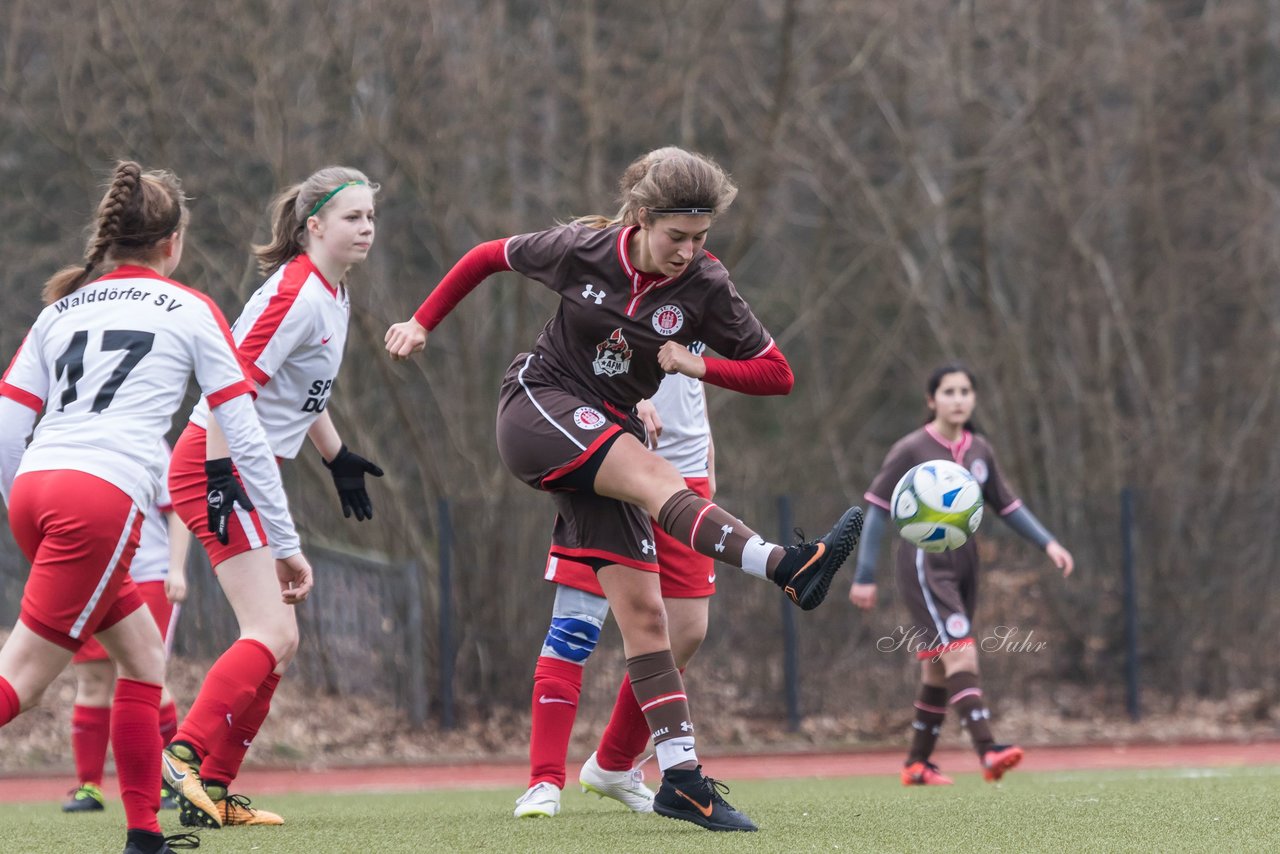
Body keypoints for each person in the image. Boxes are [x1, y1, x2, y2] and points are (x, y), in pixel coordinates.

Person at [386, 146, 863, 832]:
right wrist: (421, 321)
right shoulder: (580, 249)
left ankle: (682, 780)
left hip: (604, 434)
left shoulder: (706, 284)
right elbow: (485, 256)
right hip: (537, 403)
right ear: (640, 219)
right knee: (653, 482)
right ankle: (786, 566)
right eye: (677, 237)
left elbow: (778, 373)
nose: (688, 252)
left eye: (701, 239)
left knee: (649, 621)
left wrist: (698, 364)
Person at [0, 160, 310, 854]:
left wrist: (25, 509)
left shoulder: (59, 309)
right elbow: (247, 439)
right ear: (172, 243)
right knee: (19, 680)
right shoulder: (193, 308)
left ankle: (146, 838)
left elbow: (6, 424)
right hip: (96, 499)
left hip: (38, 489)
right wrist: (285, 543)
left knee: (142, 660)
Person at [162, 166, 384, 831]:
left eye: (372, 216)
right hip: (211, 464)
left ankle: (212, 795)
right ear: (313, 225)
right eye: (353, 217)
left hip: (237, 468)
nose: (367, 227)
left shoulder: (332, 295)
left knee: (279, 639)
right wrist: (225, 473)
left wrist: (336, 454)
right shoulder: (296, 293)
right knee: (273, 630)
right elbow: (233, 387)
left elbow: (299, 390)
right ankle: (184, 758)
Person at [848, 362, 1074, 786]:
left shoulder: (980, 450)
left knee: (938, 666)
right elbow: (878, 508)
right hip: (923, 560)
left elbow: (1007, 505)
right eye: (948, 392)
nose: (958, 399)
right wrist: (864, 574)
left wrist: (1049, 543)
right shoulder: (911, 449)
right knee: (961, 652)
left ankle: (917, 765)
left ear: (973, 399)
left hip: (966, 559)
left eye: (965, 391)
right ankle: (988, 750)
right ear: (931, 400)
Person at [514, 361, 716, 818]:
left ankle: (613, 765)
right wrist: (632, 396)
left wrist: (708, 455)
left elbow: (692, 390)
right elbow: (579, 354)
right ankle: (543, 780)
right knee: (574, 630)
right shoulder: (615, 292)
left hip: (684, 480)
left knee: (686, 633)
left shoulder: (706, 293)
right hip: (612, 471)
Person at [62, 446, 192, 814]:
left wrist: (176, 569)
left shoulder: (148, 440)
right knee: (92, 679)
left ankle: (173, 780)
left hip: (148, 575)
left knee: (146, 677)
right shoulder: (68, 438)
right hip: (91, 576)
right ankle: (89, 787)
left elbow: (178, 509)